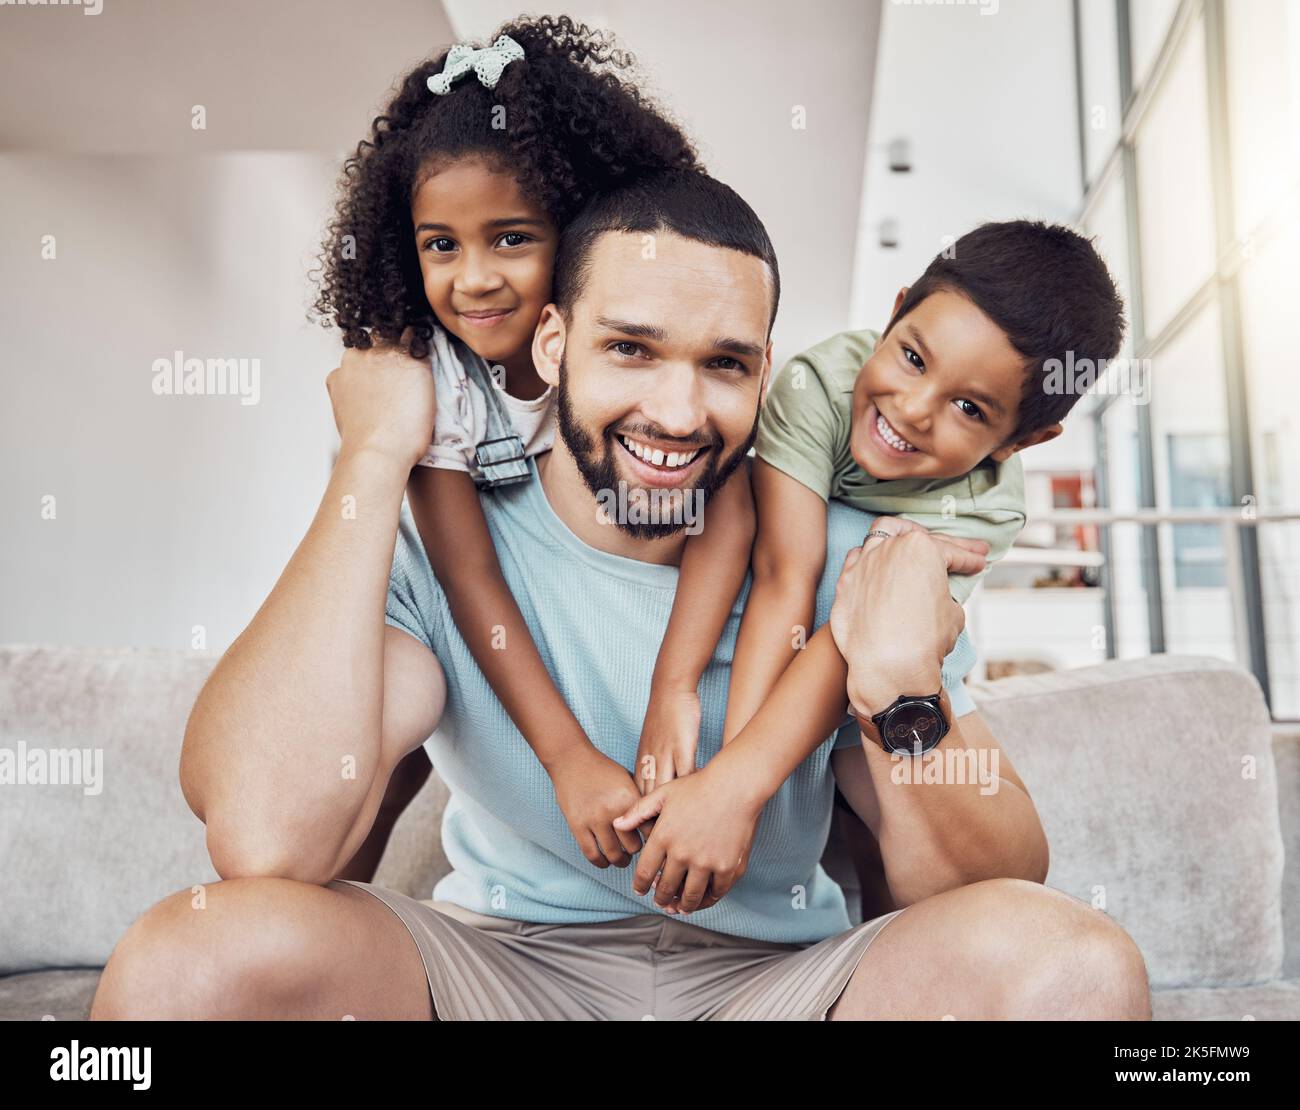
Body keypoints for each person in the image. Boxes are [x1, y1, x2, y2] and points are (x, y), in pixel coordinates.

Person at [90, 169, 1150, 1021]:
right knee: (190, 960)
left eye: (724, 365)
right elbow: (264, 842)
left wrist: (899, 683)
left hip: (775, 984)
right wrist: (370, 460)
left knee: (1075, 971)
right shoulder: (441, 550)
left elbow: (991, 887)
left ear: (767, 372)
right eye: (629, 349)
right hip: (502, 973)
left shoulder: (870, 554)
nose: (677, 411)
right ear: (553, 343)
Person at [312, 17, 754, 870]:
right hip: (487, 613)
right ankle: (344, 901)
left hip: (599, 601)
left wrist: (673, 688)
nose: (473, 278)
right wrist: (566, 759)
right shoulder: (436, 380)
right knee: (389, 743)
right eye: (441, 245)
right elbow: (469, 576)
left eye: (511, 238)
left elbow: (723, 516)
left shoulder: (654, 367)